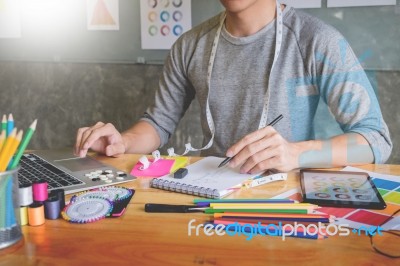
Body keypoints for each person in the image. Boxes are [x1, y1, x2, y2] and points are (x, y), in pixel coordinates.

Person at [75, 0, 392, 174]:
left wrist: (296, 153)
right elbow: (158, 124)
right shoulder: (190, 45)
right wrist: (122, 142)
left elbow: (375, 140)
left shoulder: (317, 41)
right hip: (209, 194)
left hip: (286, 201)